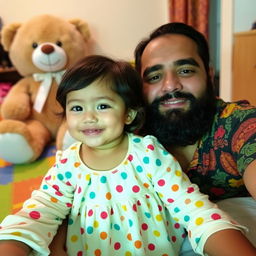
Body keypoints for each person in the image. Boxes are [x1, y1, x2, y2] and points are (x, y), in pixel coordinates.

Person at [0, 55, 256, 256]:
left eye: (102, 105)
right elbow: (41, 210)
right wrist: (13, 243)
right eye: (77, 107)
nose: (89, 116)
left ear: (129, 114)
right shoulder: (67, 165)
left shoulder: (148, 155)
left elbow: (192, 208)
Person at [134, 22, 256, 253]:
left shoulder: (240, 124)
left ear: (209, 74)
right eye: (155, 76)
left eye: (185, 71)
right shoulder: (131, 137)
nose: (170, 85)